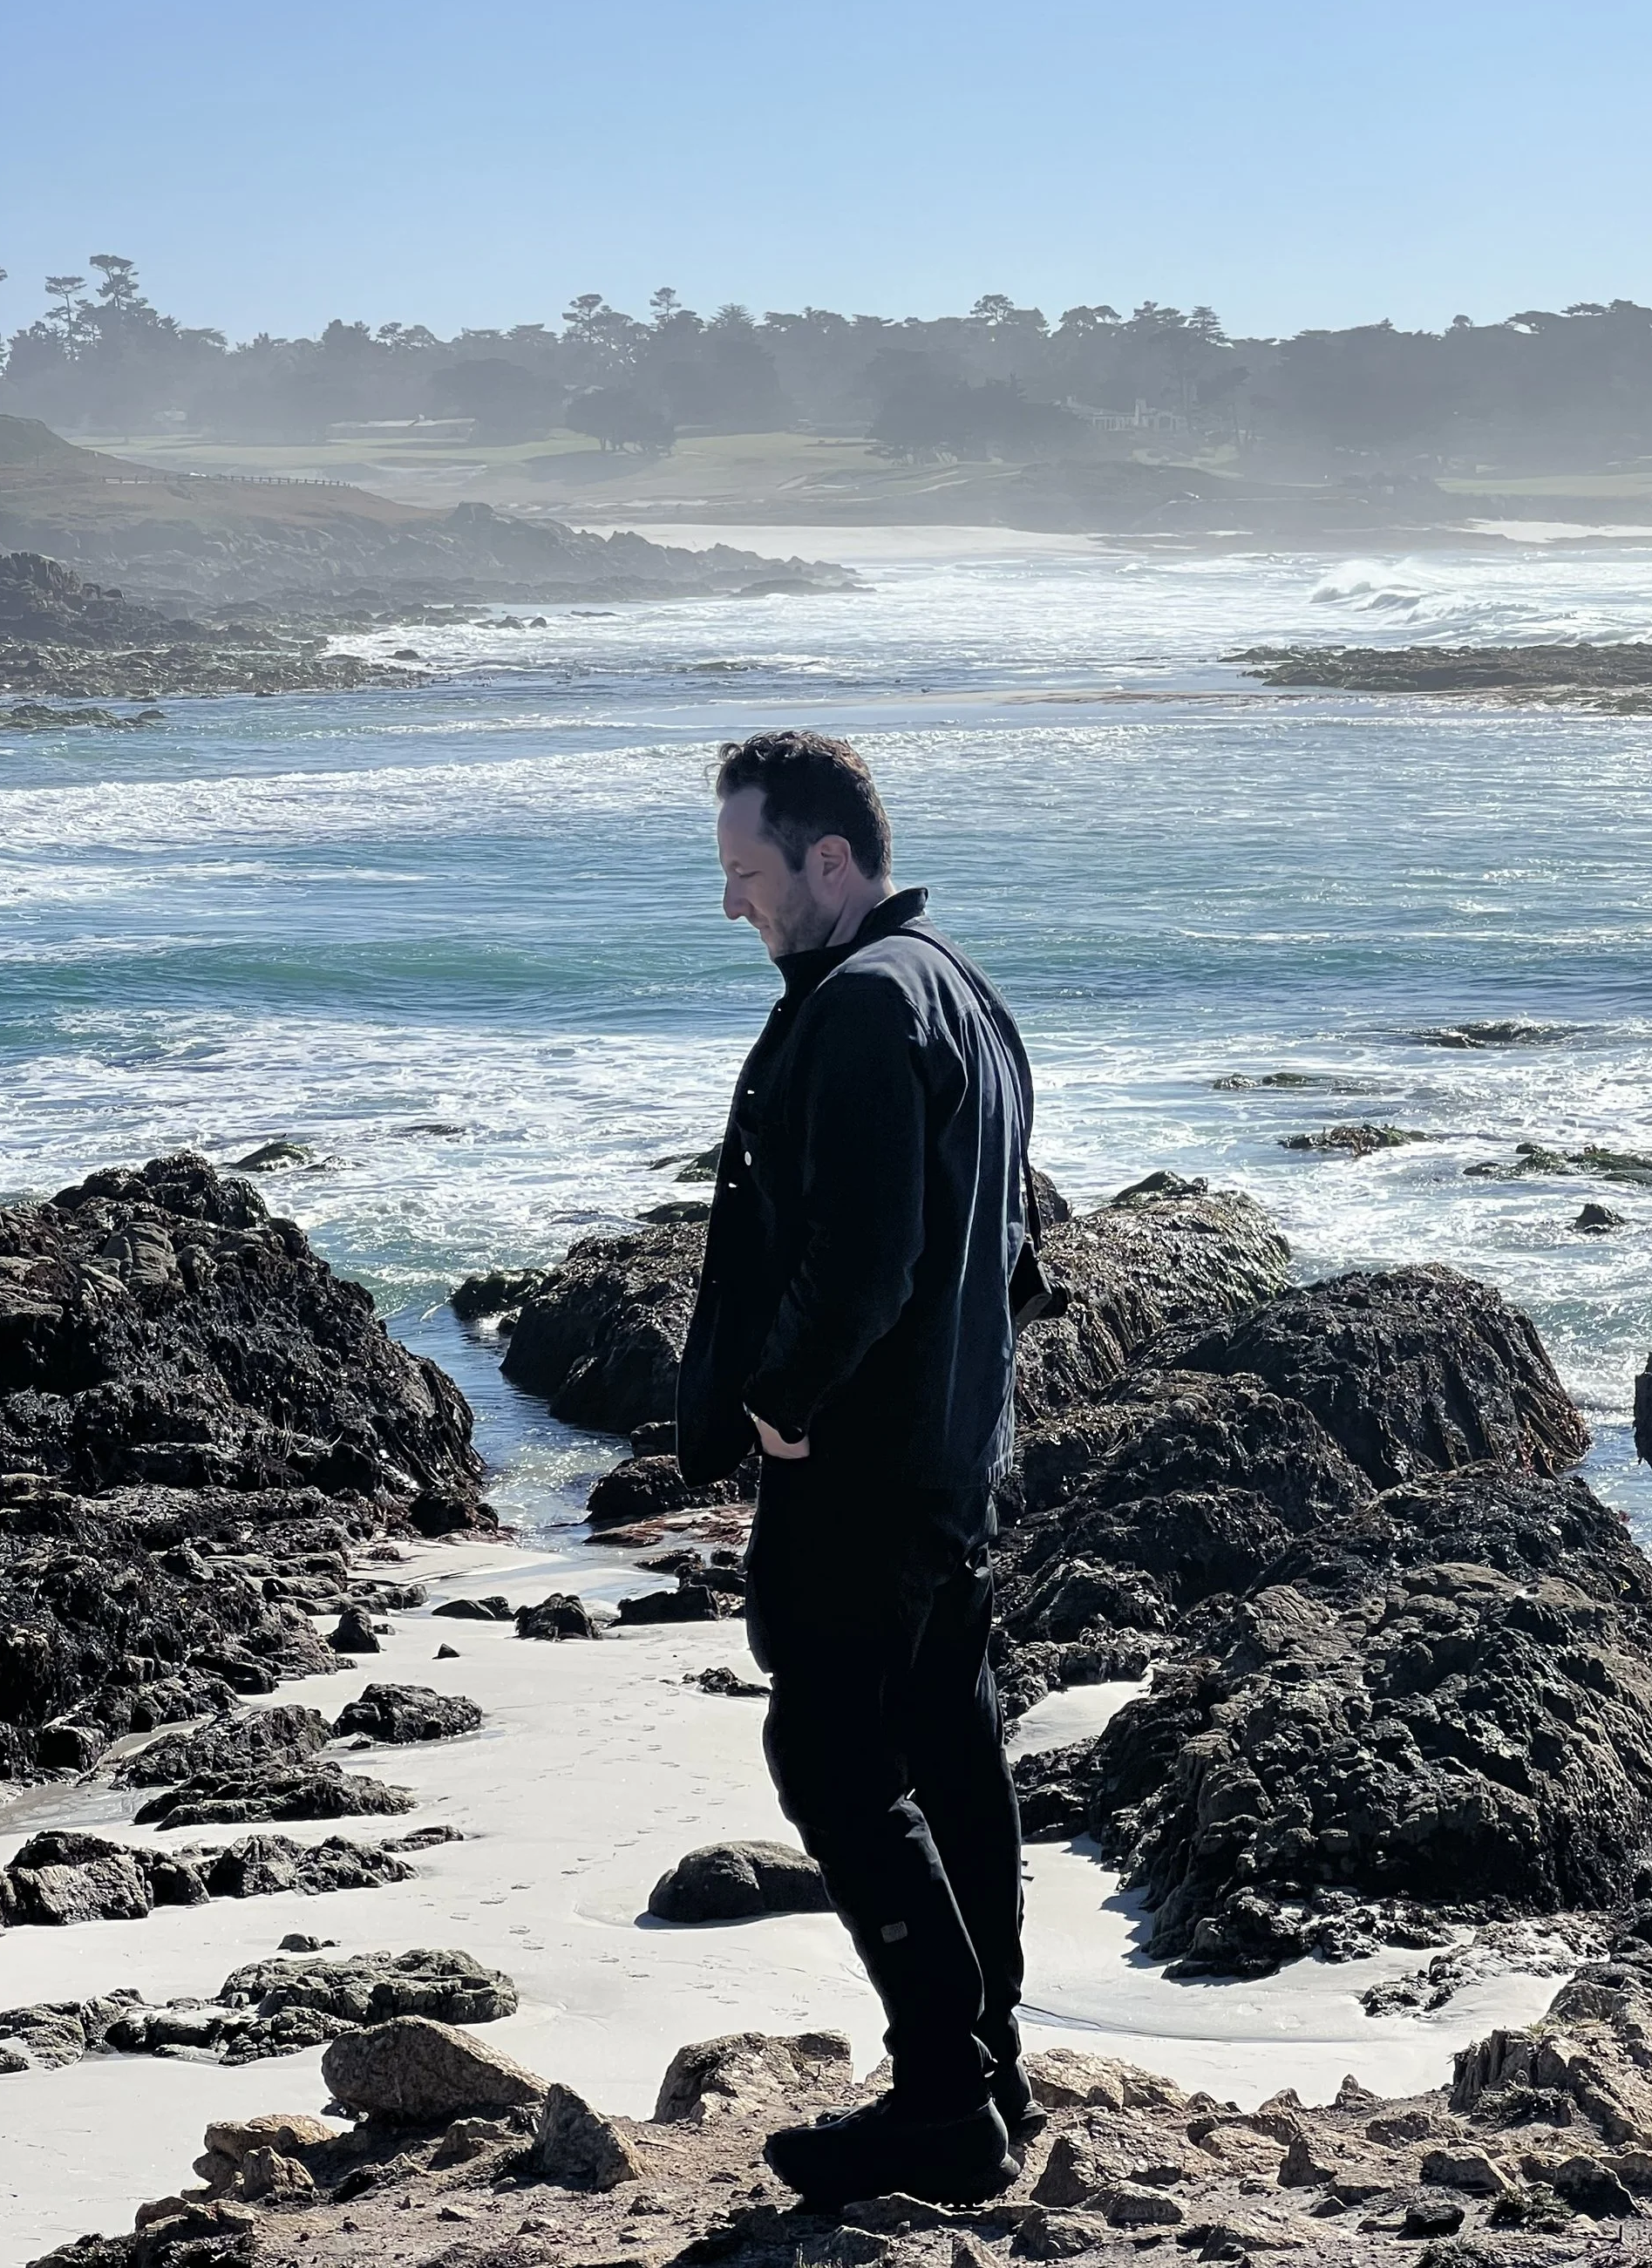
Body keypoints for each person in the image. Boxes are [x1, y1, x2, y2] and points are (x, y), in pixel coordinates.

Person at [676, 729, 1038, 2209]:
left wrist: (777, 1402)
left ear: (832, 860)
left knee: (830, 1758)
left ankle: (944, 2095)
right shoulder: (959, 988)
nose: (734, 905)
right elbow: (1018, 1233)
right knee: (948, 1744)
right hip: (952, 1452)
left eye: (749, 872)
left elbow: (869, 1253)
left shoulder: (861, 1008)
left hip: (865, 1464)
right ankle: (989, 2062)